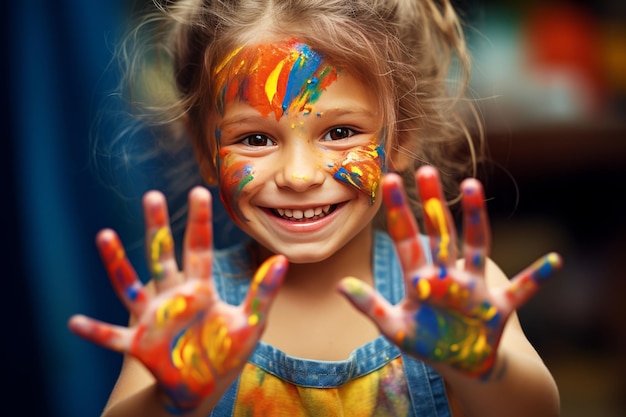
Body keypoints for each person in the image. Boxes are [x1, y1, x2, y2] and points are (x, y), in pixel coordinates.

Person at [68, 0, 563, 416]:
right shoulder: (183, 314)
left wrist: (483, 368)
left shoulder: (454, 292)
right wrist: (172, 398)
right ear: (206, 153)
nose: (299, 176)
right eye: (256, 138)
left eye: (340, 132)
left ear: (403, 138)